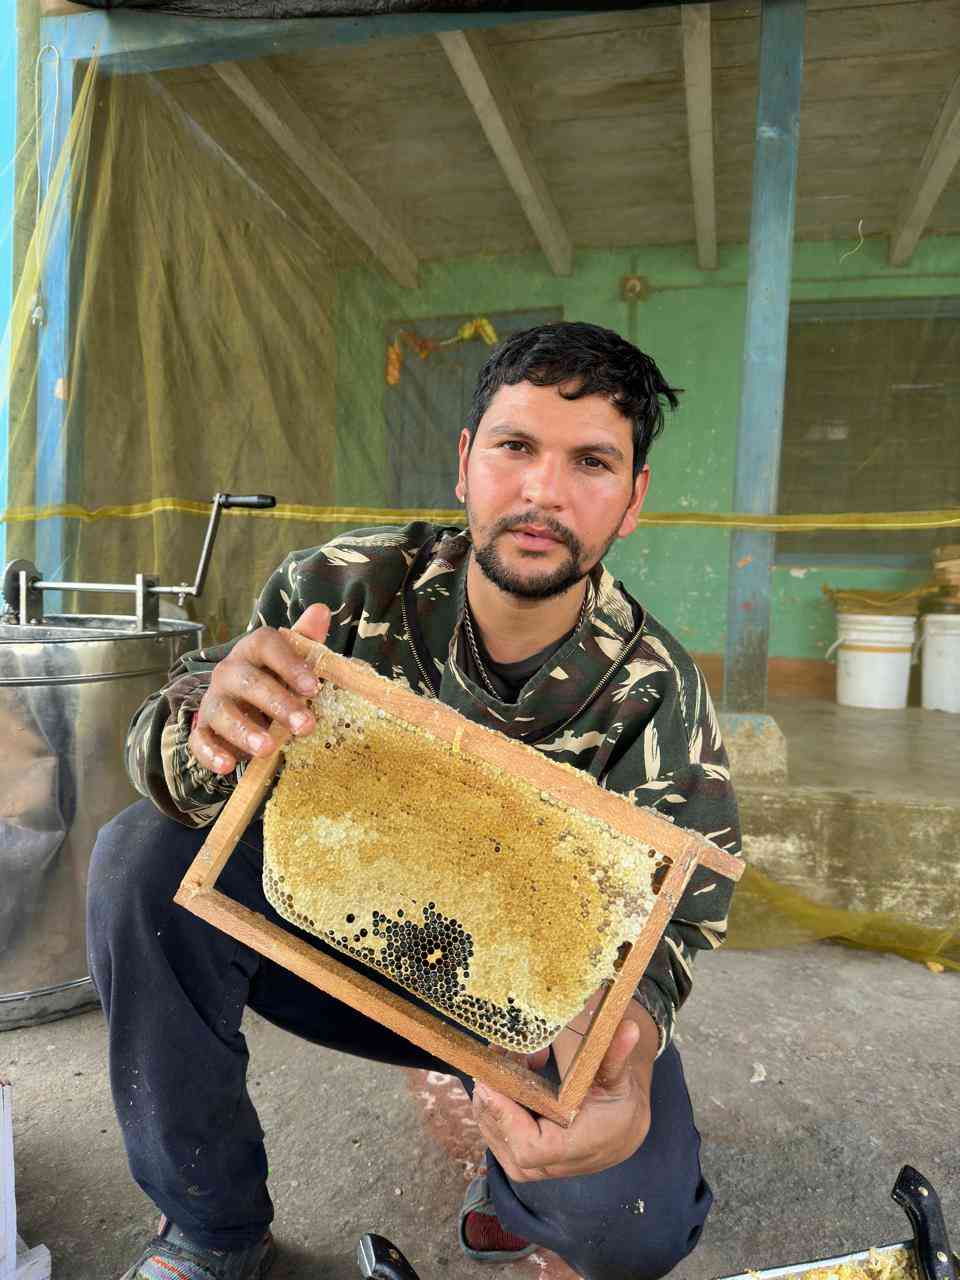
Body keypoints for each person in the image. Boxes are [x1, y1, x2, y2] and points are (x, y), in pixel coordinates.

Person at [90, 321, 742, 1280]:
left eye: (592, 462)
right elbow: (166, 742)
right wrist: (206, 727)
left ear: (633, 500)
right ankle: (210, 1228)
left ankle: (518, 1178)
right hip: (332, 934)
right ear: (466, 461)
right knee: (141, 856)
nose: (543, 492)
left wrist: (630, 1037)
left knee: (625, 1223)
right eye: (515, 447)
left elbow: (678, 922)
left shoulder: (658, 696)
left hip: (519, 1006)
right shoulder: (340, 592)